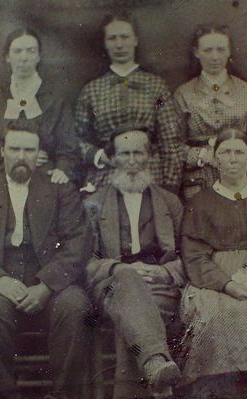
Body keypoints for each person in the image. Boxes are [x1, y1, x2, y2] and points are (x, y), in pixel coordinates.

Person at [0, 121, 92, 399]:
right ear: (2, 150)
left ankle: (62, 396)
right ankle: (4, 394)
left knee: (75, 307)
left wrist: (46, 286)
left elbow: (78, 242)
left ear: (39, 153)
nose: (22, 156)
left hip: (50, 286)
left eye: (29, 150)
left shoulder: (59, 189)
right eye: (15, 149)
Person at [85, 125, 185, 399]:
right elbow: (86, 262)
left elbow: (187, 255)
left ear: (149, 157)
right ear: (113, 158)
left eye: (138, 153)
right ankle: (155, 365)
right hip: (111, 287)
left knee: (132, 318)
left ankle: (149, 375)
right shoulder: (93, 204)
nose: (131, 161)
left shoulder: (170, 202)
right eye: (124, 154)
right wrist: (120, 269)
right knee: (130, 295)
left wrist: (164, 271)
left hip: (159, 287)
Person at [180, 127, 247, 397]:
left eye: (239, 152)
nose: (233, 158)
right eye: (225, 152)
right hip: (214, 283)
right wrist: (227, 284)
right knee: (220, 313)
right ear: (215, 158)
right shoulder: (199, 202)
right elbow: (194, 255)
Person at [75, 11, 184, 194]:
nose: (119, 45)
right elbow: (78, 138)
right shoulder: (92, 90)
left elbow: (171, 141)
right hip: (108, 174)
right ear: (105, 43)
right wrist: (98, 155)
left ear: (135, 40)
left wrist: (169, 189)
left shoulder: (155, 85)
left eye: (125, 37)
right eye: (112, 38)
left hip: (151, 175)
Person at [174, 24, 247, 199]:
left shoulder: (246, 92)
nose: (214, 57)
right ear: (196, 52)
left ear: (229, 51)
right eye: (207, 50)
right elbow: (173, 147)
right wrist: (202, 155)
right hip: (199, 181)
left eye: (220, 49)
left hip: (242, 179)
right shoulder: (183, 94)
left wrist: (241, 164)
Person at [0, 28, 79, 183]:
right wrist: (20, 160)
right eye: (17, 51)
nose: (24, 58)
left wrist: (62, 169)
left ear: (38, 56)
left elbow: (68, 150)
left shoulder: (56, 99)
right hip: (0, 176)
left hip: (44, 178)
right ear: (7, 57)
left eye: (30, 51)